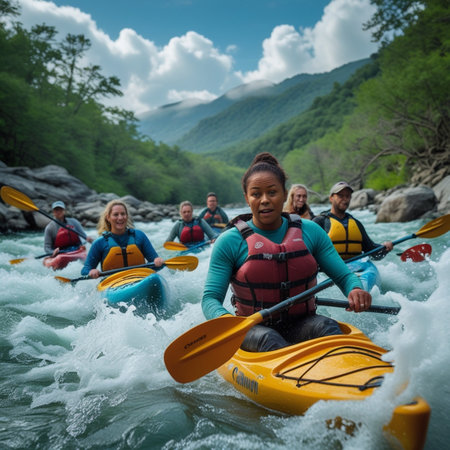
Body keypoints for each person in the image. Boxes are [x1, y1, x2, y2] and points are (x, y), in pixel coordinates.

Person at [201, 153, 372, 353]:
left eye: (272, 192)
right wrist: (224, 320)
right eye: (256, 194)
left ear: (284, 194)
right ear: (247, 198)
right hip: (252, 329)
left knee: (327, 327)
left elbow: (344, 276)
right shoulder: (229, 241)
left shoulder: (311, 231)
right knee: (269, 339)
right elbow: (210, 298)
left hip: (302, 323)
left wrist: (355, 289)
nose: (264, 200)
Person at [81, 200, 164, 278]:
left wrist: (158, 261)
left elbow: (154, 262)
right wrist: (91, 272)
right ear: (108, 218)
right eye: (116, 214)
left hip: (140, 279)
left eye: (123, 214)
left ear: (127, 216)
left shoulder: (139, 236)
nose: (120, 218)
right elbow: (85, 270)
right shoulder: (99, 243)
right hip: (113, 284)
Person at [313, 181, 393, 260]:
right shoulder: (320, 222)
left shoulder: (356, 224)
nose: (345, 199)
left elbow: (372, 251)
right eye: (341, 196)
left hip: (355, 267)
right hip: (330, 268)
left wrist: (384, 247)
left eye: (348, 196)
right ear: (331, 198)